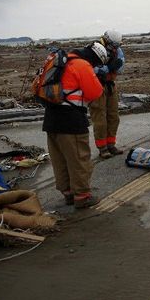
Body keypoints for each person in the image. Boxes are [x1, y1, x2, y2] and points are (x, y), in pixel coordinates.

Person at [43, 42, 107, 208]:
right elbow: (95, 92)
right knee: (79, 158)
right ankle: (82, 196)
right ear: (95, 58)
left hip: (51, 119)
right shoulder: (82, 65)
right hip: (71, 120)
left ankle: (68, 193)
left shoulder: (62, 63)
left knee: (60, 159)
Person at [90, 30, 125, 159]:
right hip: (97, 85)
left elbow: (120, 67)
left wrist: (113, 67)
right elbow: (90, 69)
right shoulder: (93, 49)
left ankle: (111, 144)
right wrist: (107, 68)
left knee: (113, 116)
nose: (115, 48)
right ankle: (102, 148)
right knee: (99, 118)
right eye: (113, 46)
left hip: (110, 85)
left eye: (117, 46)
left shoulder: (117, 50)